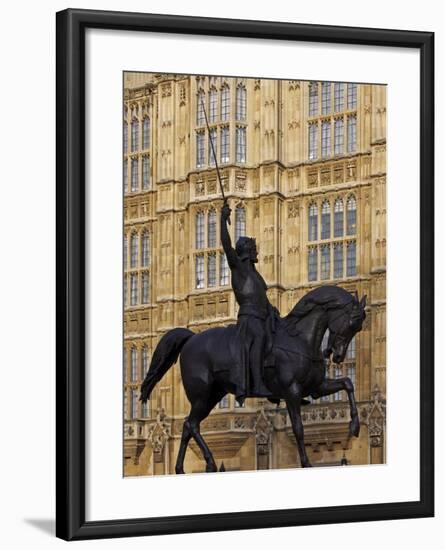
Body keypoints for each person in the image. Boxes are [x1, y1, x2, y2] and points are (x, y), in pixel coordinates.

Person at [220, 203, 277, 403]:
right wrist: (222, 219)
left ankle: (280, 384)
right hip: (249, 318)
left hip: (262, 315)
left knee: (280, 339)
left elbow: (261, 297)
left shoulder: (255, 274)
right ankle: (258, 383)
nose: (256, 253)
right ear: (246, 251)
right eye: (253, 249)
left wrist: (272, 311)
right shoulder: (238, 268)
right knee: (260, 336)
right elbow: (226, 245)